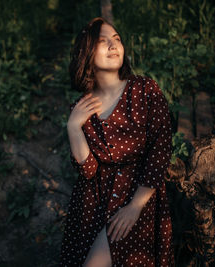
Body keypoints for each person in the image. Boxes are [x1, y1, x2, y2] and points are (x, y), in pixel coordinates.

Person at [60, 17, 175, 267]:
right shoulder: (82, 108)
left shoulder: (145, 90)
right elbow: (88, 170)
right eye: (104, 42)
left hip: (137, 197)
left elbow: (160, 150)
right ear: (87, 54)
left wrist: (135, 206)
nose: (114, 46)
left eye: (117, 40)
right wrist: (73, 127)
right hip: (94, 204)